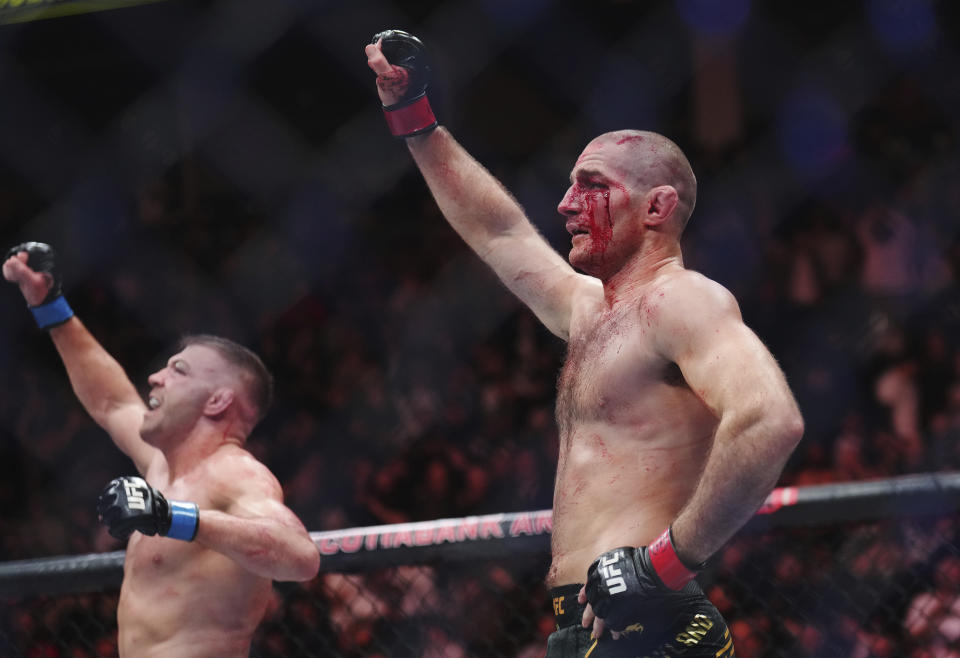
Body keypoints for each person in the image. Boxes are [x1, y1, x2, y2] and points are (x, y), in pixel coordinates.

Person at [365, 30, 804, 657]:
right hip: (592, 619)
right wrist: (415, 118)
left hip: (650, 619)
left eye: (591, 185)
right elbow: (498, 232)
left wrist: (665, 566)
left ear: (657, 207)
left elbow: (770, 420)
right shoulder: (590, 308)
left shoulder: (682, 300)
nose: (567, 204)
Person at [3, 242, 320, 657]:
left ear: (217, 402)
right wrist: (51, 308)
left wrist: (172, 517)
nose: (155, 377)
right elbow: (111, 401)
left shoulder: (235, 473)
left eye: (178, 371)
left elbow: (301, 558)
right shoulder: (161, 467)